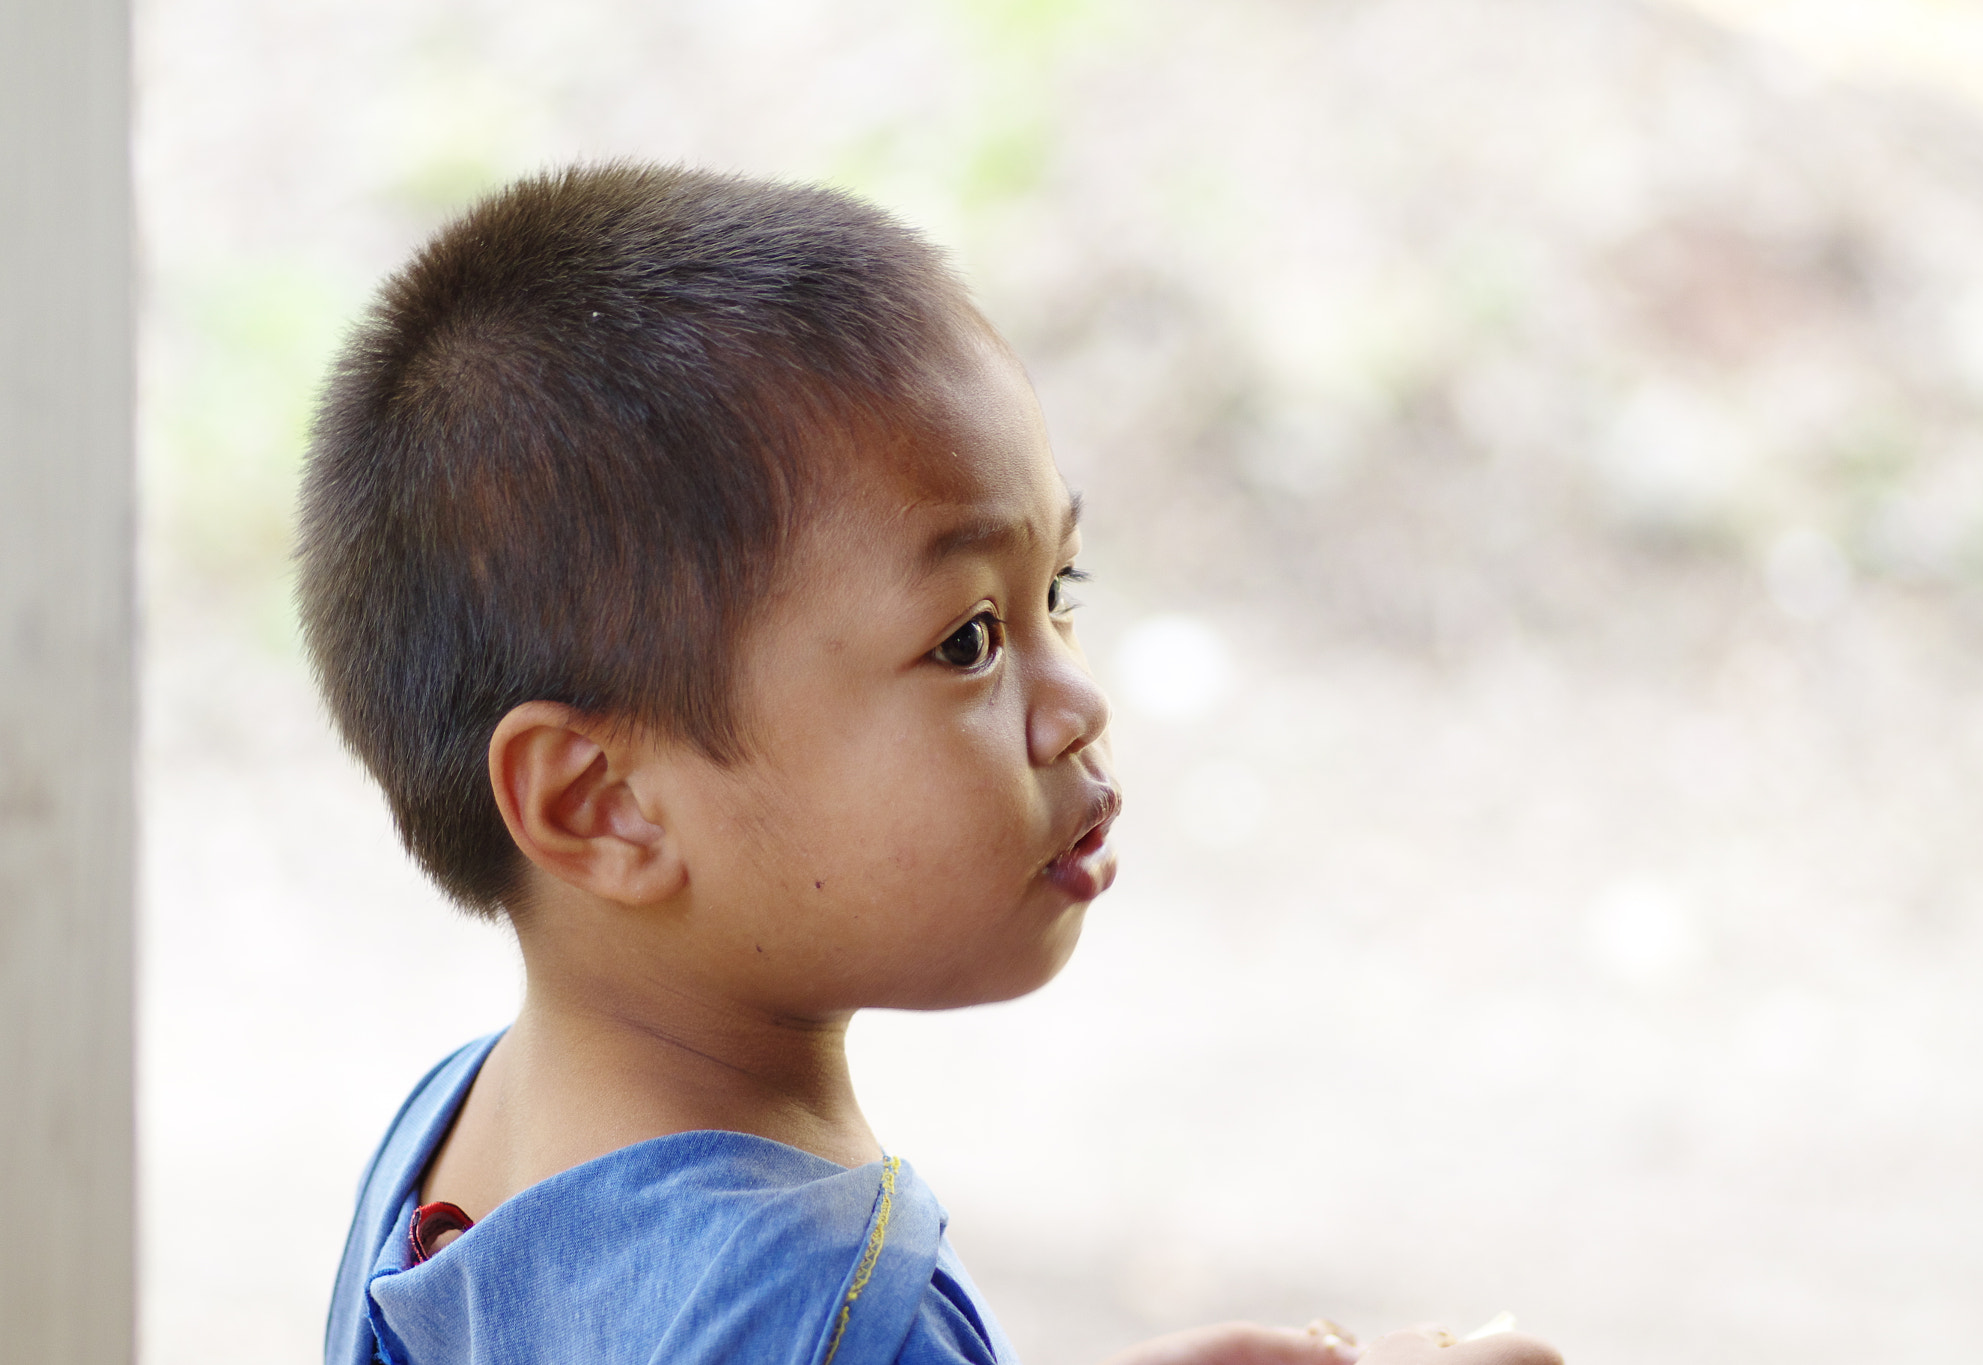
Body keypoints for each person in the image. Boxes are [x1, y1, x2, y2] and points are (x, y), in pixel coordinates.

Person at [299, 162, 1563, 1365]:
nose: (1075, 703)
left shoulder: (454, 1150)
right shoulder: (824, 1305)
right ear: (605, 806)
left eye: (1058, 588)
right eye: (966, 640)